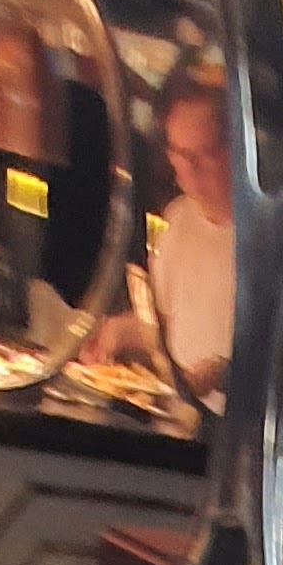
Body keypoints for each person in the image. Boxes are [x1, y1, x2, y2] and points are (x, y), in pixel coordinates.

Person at [109, 64, 236, 408]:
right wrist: (118, 332)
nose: (188, 169)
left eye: (202, 155)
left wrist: (222, 372)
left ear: (234, 151)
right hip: (178, 415)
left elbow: (280, 359)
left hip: (228, 424)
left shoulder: (266, 242)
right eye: (179, 153)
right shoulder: (179, 218)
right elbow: (162, 323)